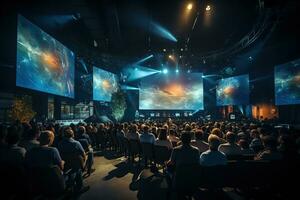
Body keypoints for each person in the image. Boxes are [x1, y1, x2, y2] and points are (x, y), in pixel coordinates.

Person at [58, 127, 89, 193]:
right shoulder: (76, 143)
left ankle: (71, 186)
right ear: (72, 135)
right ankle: (80, 187)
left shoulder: (60, 143)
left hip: (66, 163)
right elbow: (83, 153)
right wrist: (85, 161)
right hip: (76, 164)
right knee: (78, 169)